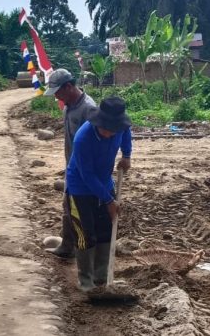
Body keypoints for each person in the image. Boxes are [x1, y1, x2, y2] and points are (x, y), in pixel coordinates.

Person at [66, 96, 132, 292]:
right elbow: (87, 175)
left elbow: (126, 133)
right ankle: (86, 282)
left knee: (105, 229)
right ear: (98, 122)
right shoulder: (83, 138)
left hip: (104, 182)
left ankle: (102, 278)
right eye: (106, 129)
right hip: (80, 188)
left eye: (114, 130)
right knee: (85, 234)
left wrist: (127, 155)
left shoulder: (119, 128)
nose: (110, 134)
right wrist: (109, 200)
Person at [43, 69, 97, 259]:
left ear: (69, 87)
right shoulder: (68, 106)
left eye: (58, 92)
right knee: (68, 205)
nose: (56, 96)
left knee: (79, 209)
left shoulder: (88, 109)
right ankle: (68, 246)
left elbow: (96, 143)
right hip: (72, 167)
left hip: (84, 170)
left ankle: (83, 252)